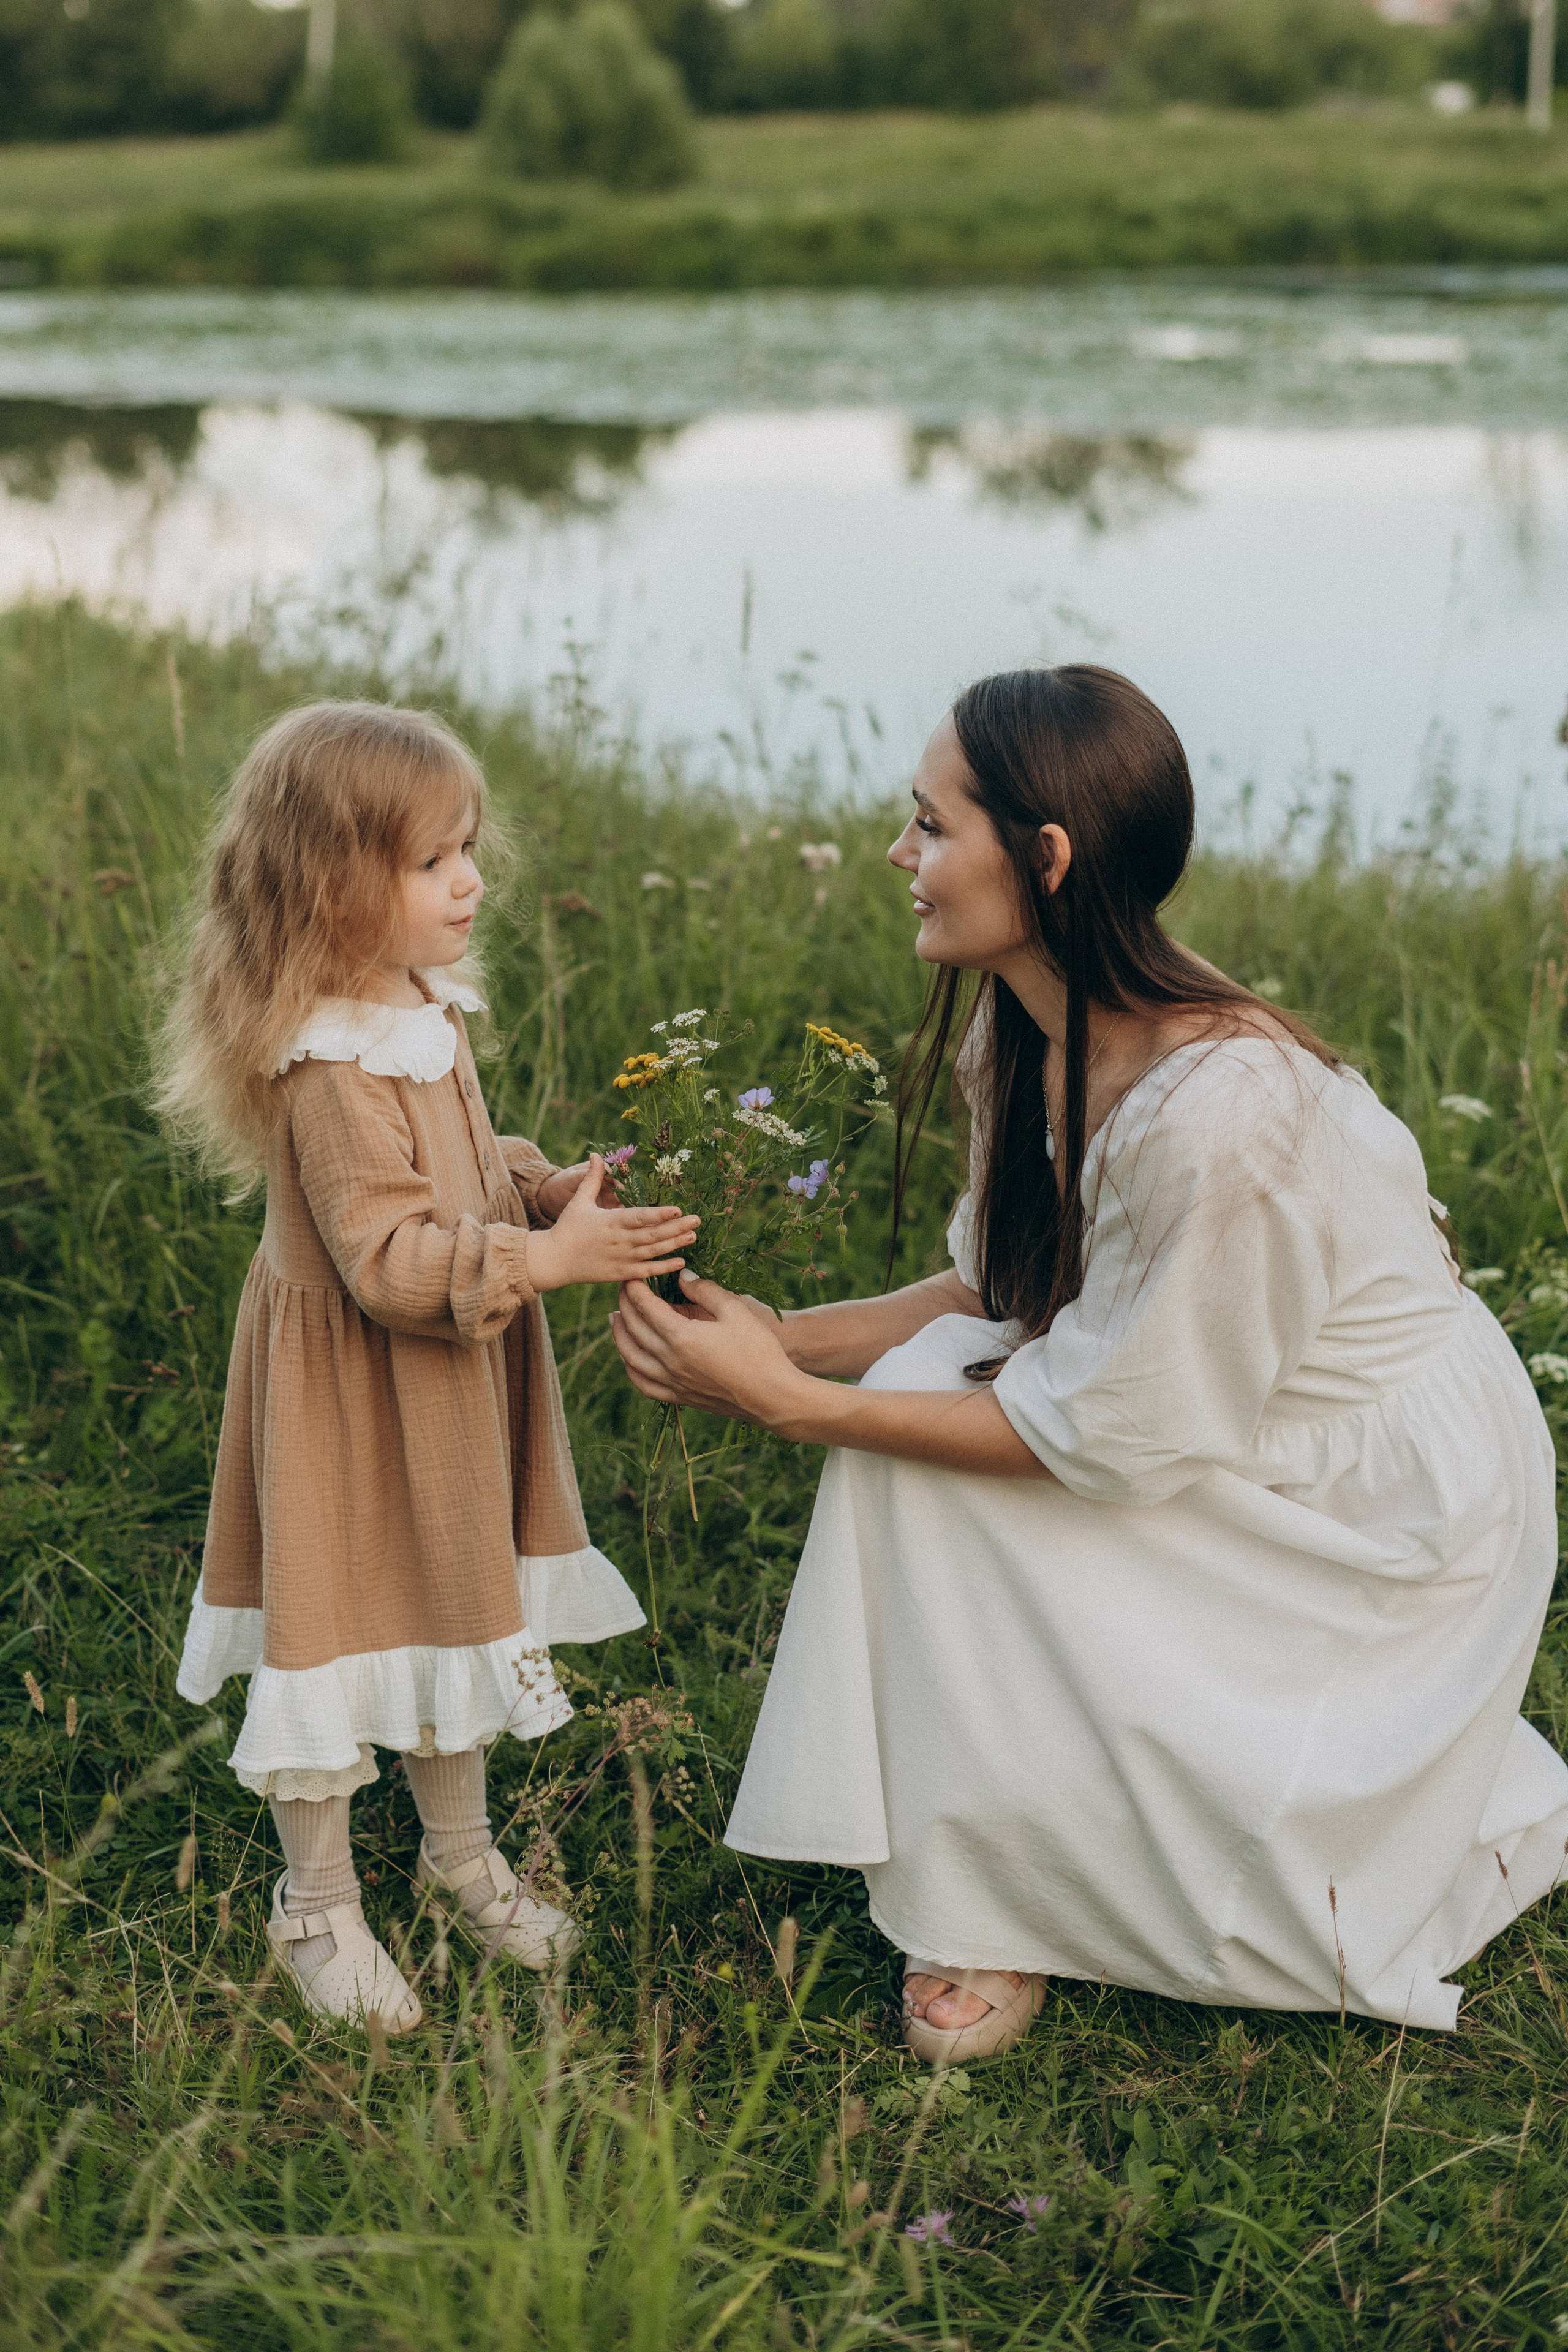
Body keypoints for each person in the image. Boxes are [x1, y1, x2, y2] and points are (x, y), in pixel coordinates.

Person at [612, 664, 1568, 2065]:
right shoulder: (1031, 1033)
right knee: (931, 1376)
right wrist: (780, 1336)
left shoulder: (1224, 1118)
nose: (901, 857)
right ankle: (998, 1852)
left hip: (1386, 1508)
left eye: (930, 826)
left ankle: (1006, 1892)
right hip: (1218, 1414)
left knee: (920, 1422)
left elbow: (1097, 1436)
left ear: (1044, 857)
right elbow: (1009, 1288)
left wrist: (797, 1404)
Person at [160, 701, 697, 2034]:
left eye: (466, 850)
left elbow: (459, 1170)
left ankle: (458, 1852)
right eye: (431, 862)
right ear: (334, 889)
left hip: (441, 1393)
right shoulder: (330, 1067)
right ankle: (317, 1902)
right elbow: (392, 1261)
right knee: (336, 1627)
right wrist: (549, 1265)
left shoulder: (412, 1013)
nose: (470, 881)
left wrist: (542, 1189)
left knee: (456, 1597)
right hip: (351, 1398)